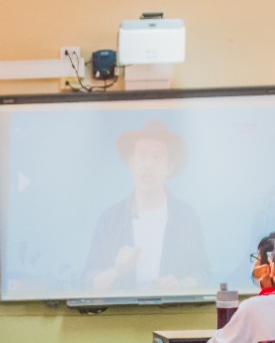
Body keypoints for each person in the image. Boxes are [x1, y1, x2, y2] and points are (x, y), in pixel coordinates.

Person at [86, 120, 212, 293]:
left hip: (172, 313)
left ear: (170, 167)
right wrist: (116, 271)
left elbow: (202, 272)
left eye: (157, 157)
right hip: (120, 315)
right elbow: (89, 279)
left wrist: (181, 284)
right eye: (142, 156)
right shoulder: (111, 218)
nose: (148, 165)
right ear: (131, 162)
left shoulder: (186, 216)